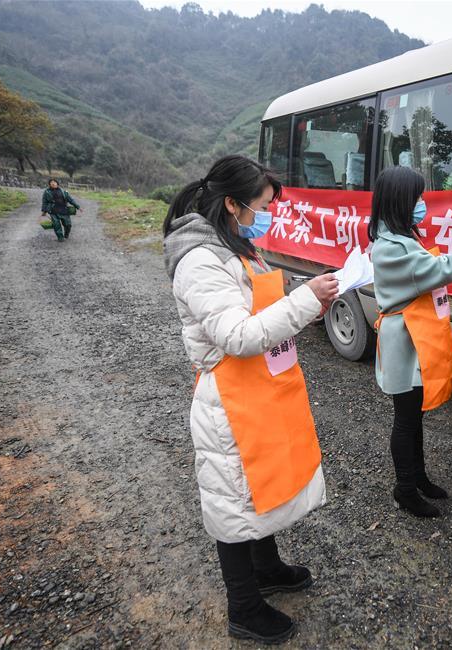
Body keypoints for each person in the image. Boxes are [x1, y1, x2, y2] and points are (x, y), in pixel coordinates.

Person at [162, 155, 339, 644]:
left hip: (259, 387)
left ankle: (267, 566)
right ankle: (243, 606)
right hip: (230, 398)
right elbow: (236, 335)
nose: (264, 215)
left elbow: (258, 307)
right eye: (259, 206)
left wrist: (303, 293)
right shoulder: (200, 260)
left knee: (260, 481)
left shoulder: (231, 244)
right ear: (232, 204)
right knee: (233, 500)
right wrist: (307, 301)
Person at [370, 166, 452, 518]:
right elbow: (442, 269)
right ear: (400, 201)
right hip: (404, 339)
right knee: (406, 418)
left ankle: (418, 478)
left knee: (414, 415)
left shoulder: (400, 236)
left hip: (415, 333)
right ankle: (404, 489)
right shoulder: (390, 248)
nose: (421, 203)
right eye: (416, 197)